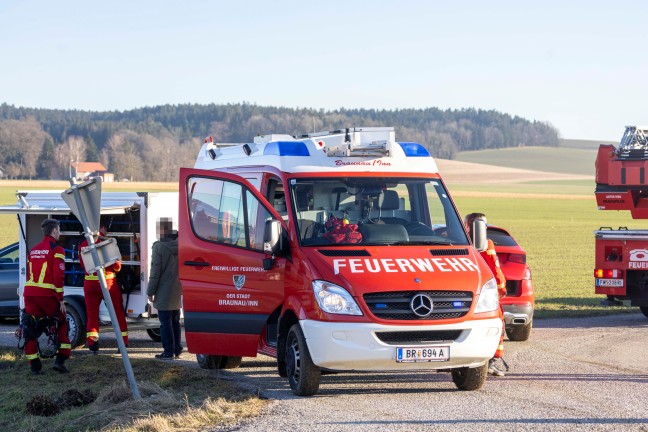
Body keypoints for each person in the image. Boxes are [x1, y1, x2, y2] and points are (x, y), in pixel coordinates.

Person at [23, 219, 71, 374]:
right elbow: (59, 276)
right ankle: (61, 360)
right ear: (54, 231)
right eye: (59, 230)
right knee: (62, 322)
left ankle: (35, 366)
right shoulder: (57, 250)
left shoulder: (34, 250)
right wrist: (60, 298)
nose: (60, 233)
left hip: (30, 294)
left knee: (30, 328)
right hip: (47, 295)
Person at [464, 212, 508, 377]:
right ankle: (493, 360)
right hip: (482, 292)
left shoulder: (458, 242)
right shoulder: (486, 244)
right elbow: (494, 269)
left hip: (467, 292)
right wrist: (501, 289)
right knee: (498, 321)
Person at [78, 225, 128, 354]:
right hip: (108, 283)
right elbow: (117, 267)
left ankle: (92, 342)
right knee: (117, 313)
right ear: (102, 229)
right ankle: (123, 342)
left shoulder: (83, 244)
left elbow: (84, 265)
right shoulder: (107, 243)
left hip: (89, 284)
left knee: (92, 314)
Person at [147, 218, 182, 360]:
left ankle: (168, 351)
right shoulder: (181, 243)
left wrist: (150, 291)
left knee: (165, 322)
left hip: (163, 290)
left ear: (162, 230)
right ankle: (177, 349)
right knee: (175, 321)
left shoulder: (159, 247)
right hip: (176, 288)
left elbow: (155, 272)